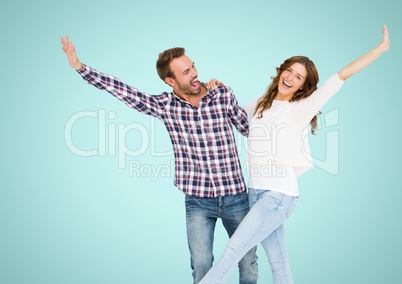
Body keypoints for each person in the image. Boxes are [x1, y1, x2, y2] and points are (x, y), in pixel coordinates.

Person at [200, 25, 390, 284]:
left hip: (278, 195)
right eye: (289, 70)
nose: (290, 77)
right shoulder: (262, 102)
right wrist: (217, 87)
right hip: (254, 193)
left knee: (233, 250)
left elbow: (342, 75)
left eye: (298, 76)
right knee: (279, 264)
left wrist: (380, 48)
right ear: (281, 71)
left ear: (304, 85)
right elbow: (232, 115)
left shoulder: (302, 107)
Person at [60, 36, 258, 284]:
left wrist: (287, 106)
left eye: (193, 66)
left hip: (235, 196)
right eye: (186, 72)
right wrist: (80, 67)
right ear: (170, 80)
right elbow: (123, 91)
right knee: (201, 264)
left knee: (247, 262)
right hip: (198, 200)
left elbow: (249, 127)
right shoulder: (165, 106)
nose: (195, 73)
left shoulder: (222, 94)